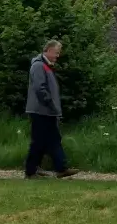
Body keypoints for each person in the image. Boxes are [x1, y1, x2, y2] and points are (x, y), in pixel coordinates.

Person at [25, 40, 78, 179]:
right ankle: (31, 171)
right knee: (39, 141)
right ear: (48, 50)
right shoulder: (38, 66)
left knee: (53, 139)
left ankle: (60, 168)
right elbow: (40, 88)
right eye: (56, 53)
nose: (58, 56)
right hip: (40, 110)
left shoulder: (46, 66)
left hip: (47, 111)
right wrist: (51, 104)